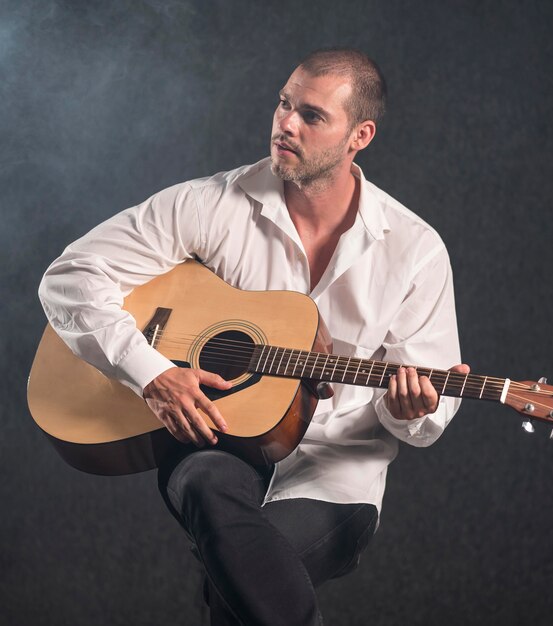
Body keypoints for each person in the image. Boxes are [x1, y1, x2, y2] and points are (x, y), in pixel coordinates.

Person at [39, 48, 469, 625]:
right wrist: (150, 371)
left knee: (239, 584)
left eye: (312, 116)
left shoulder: (415, 250)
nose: (285, 123)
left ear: (359, 135)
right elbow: (70, 278)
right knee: (211, 498)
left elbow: (423, 423)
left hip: (334, 476)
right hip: (222, 446)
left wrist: (410, 407)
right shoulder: (211, 204)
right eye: (284, 104)